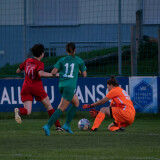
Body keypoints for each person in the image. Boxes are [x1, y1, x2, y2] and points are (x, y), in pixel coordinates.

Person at [14, 43, 63, 131]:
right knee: (49, 106)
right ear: (42, 54)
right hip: (36, 88)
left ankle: (19, 111)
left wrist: (26, 70)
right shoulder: (39, 63)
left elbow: (18, 71)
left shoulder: (27, 61)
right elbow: (41, 73)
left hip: (26, 87)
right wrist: (55, 75)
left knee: (27, 111)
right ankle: (58, 126)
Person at [43, 42, 87, 136]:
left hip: (61, 85)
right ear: (75, 50)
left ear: (66, 50)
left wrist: (62, 73)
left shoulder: (62, 59)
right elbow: (84, 75)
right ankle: (48, 126)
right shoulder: (79, 60)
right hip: (70, 87)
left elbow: (53, 72)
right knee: (61, 108)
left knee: (76, 103)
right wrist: (78, 71)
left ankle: (67, 125)